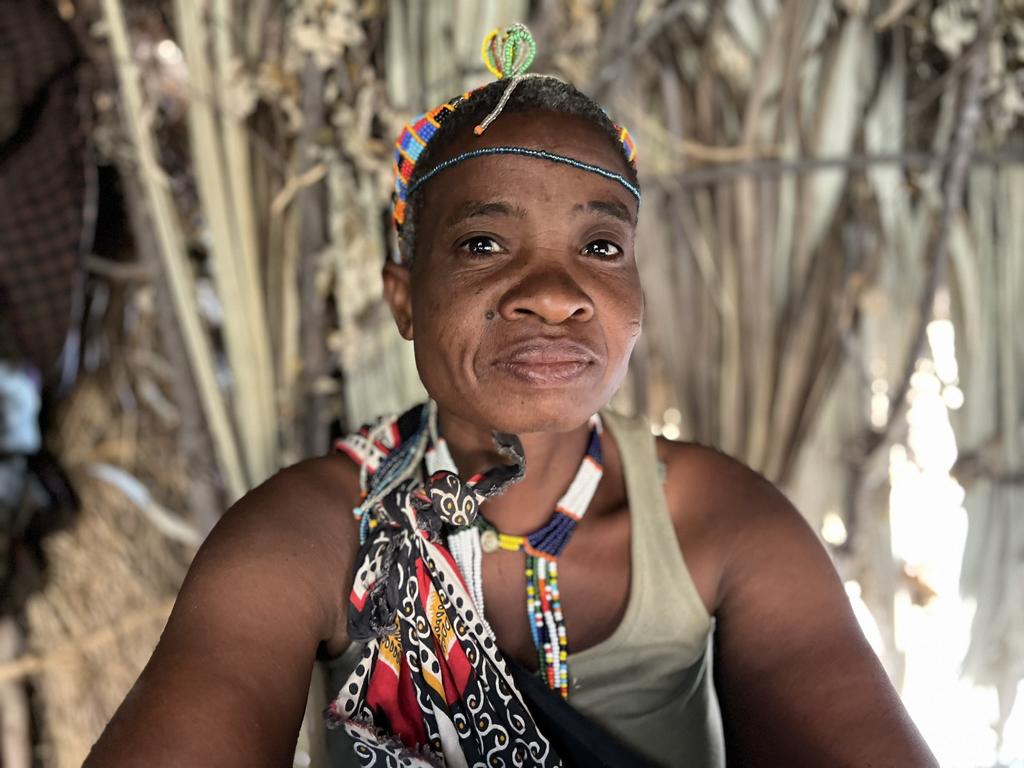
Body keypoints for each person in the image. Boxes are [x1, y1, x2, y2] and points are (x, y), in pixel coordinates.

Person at [87, 25, 937, 768]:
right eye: (484, 241)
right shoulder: (305, 536)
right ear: (404, 300)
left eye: (601, 246)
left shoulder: (717, 524)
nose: (554, 292)